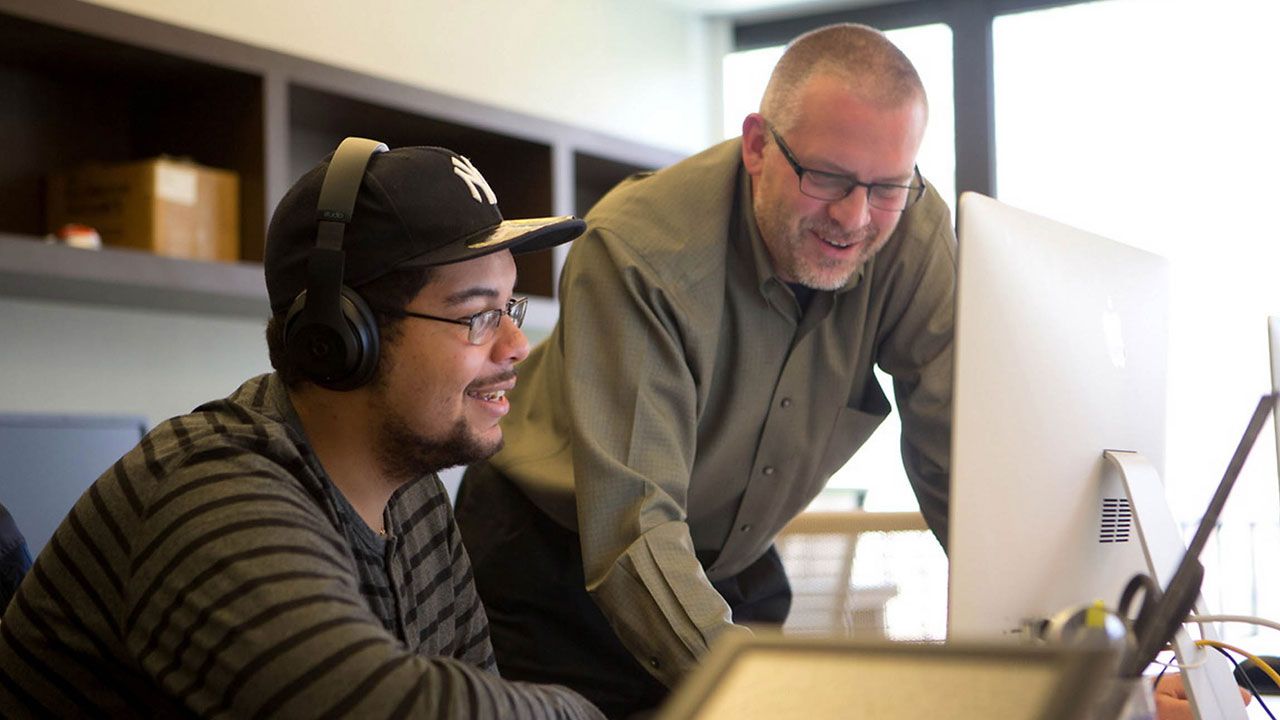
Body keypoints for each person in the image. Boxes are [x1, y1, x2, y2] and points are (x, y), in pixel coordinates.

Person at [0, 139, 604, 719]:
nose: (518, 345)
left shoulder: (411, 495)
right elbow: (364, 706)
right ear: (341, 337)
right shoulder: (213, 490)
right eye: (477, 315)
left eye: (512, 307)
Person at [455, 23, 955, 718]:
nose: (855, 216)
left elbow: (955, 449)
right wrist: (761, 698)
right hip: (553, 559)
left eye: (888, 187)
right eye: (827, 178)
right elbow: (632, 528)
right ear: (757, 146)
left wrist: (1054, 634)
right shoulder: (639, 252)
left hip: (724, 554)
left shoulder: (912, 232)